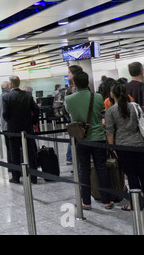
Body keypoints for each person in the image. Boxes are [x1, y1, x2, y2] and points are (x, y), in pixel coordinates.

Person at [64, 71, 114, 210]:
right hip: (98, 136)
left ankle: (86, 201)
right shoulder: (97, 97)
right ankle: (106, 200)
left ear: (74, 84)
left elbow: (69, 113)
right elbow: (101, 113)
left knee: (83, 170)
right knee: (101, 168)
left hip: (81, 138)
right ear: (88, 82)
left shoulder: (69, 99)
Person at [105, 81, 144, 211]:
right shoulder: (134, 106)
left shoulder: (111, 111)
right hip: (139, 144)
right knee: (142, 173)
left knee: (131, 175)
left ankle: (135, 204)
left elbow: (110, 132)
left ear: (112, 94)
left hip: (123, 146)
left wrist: (112, 148)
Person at [2, 75, 39, 184]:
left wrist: (10, 121)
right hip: (27, 128)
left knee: (15, 153)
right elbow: (36, 109)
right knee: (30, 152)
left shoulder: (7, 97)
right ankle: (33, 177)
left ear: (10, 85)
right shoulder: (28, 95)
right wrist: (33, 121)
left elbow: (5, 114)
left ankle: (16, 176)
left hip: (13, 130)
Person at [0, 81, 12, 170]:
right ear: (9, 86)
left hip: (4, 126)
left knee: (9, 148)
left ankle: (11, 166)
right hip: (9, 126)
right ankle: (13, 167)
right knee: (12, 148)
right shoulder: (7, 97)